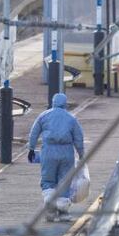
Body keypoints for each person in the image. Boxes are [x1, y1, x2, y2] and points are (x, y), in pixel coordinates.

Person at [28, 93, 84, 221]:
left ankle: (50, 209)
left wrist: (31, 149)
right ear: (65, 104)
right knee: (64, 181)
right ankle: (63, 212)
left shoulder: (44, 116)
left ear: (52, 103)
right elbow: (78, 138)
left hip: (48, 151)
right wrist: (81, 154)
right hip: (66, 152)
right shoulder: (71, 119)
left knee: (48, 180)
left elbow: (34, 133)